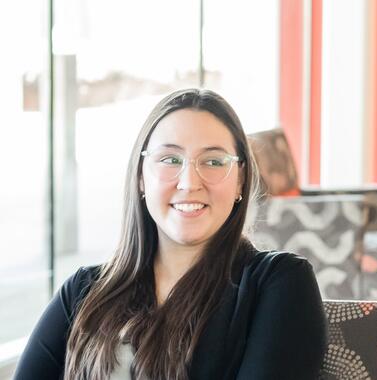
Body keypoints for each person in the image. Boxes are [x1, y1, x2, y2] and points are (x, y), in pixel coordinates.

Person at [14, 89, 327, 379]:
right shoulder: (84, 292)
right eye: (169, 160)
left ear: (240, 182)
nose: (189, 182)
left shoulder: (278, 284)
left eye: (214, 161)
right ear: (140, 177)